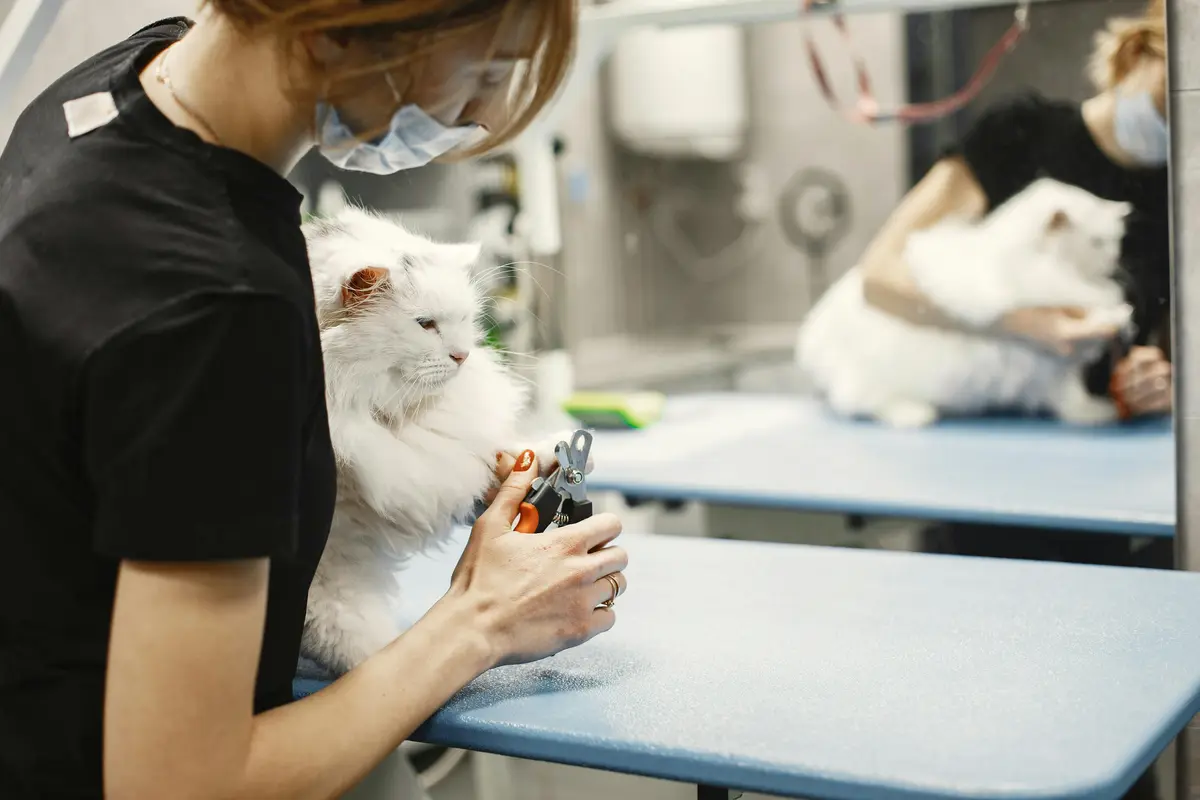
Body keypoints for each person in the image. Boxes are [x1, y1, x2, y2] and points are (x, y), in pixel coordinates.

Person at [0, 2, 628, 799]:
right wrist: (481, 618)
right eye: (486, 73)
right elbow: (182, 785)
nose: (482, 118)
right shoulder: (217, 303)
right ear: (337, 26)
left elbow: (148, 461)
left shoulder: (118, 86)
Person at [858, 2, 1169, 796]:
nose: (1174, 121)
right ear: (1142, 54)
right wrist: (1024, 324)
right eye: (1173, 96)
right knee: (971, 735)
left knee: (1104, 749)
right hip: (983, 490)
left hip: (1125, 520)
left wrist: (1161, 380)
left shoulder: (1184, 180)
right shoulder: (1022, 137)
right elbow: (884, 276)